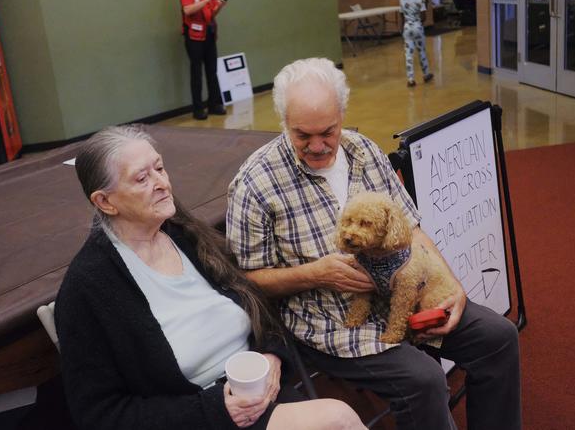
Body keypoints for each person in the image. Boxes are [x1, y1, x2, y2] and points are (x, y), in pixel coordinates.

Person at [226, 58, 521, 430]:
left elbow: (412, 229)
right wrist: (316, 274)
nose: (317, 146)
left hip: (405, 294)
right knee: (425, 380)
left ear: (343, 114)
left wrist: (455, 287)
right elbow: (247, 280)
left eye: (328, 132)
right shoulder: (254, 183)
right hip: (331, 321)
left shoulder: (364, 151)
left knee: (498, 337)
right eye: (303, 135)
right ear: (284, 122)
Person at [55, 125, 366, 430]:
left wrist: (272, 355)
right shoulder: (88, 287)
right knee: (336, 419)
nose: (161, 182)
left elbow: (255, 301)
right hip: (196, 417)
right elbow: (100, 415)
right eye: (141, 178)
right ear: (105, 202)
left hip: (258, 399)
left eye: (160, 168)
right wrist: (216, 409)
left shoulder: (182, 232)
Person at [180, 0, 227, 120]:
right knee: (196, 72)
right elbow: (188, 10)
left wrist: (220, 6)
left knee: (212, 70)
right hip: (193, 36)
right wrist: (207, 0)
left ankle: (214, 104)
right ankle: (198, 109)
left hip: (209, 34)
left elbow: (211, 14)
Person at [399, 0, 434, 87]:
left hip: (407, 28)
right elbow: (423, 17)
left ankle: (410, 80)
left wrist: (401, 29)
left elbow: (401, 15)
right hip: (417, 27)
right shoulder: (420, 0)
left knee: (408, 54)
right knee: (421, 51)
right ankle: (426, 74)